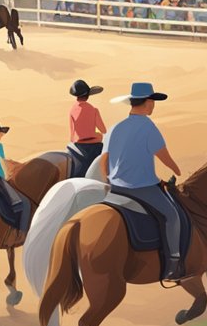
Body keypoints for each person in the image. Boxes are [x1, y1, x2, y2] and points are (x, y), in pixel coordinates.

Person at [102, 82, 184, 281]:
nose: (154, 105)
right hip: (142, 187)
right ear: (147, 102)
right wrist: (176, 169)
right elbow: (163, 156)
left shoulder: (115, 128)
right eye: (153, 101)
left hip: (116, 187)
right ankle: (173, 264)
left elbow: (104, 159)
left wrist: (108, 179)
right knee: (172, 216)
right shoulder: (148, 127)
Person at [67, 80, 107, 178]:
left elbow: (72, 135)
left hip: (78, 145)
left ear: (77, 96)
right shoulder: (94, 110)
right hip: (95, 146)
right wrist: (96, 133)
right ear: (88, 95)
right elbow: (103, 130)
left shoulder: (72, 111)